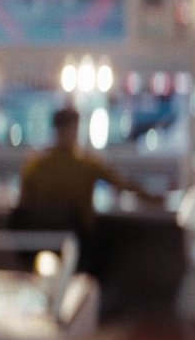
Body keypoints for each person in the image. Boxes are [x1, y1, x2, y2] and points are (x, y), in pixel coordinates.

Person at [15, 107, 161, 275]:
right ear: (74, 129)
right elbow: (123, 184)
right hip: (79, 240)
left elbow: (23, 203)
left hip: (40, 240)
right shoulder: (85, 163)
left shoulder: (35, 165)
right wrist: (155, 199)